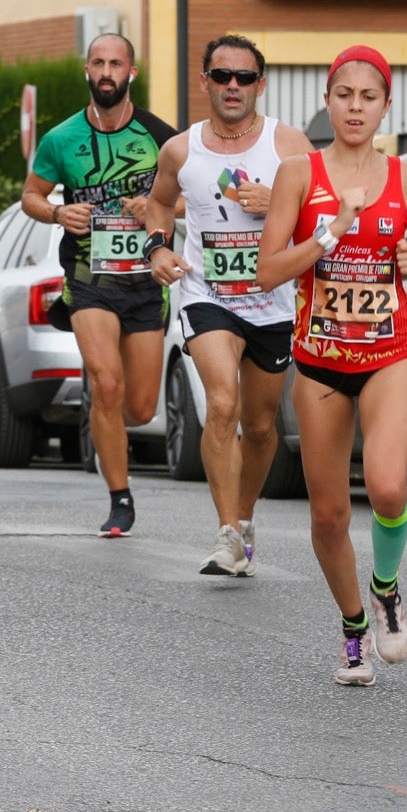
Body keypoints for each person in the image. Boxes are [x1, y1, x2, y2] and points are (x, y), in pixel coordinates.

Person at [257, 45, 407, 686]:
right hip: (319, 360)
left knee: (387, 487)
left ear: (385, 105)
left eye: (367, 96)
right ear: (328, 101)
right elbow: (268, 270)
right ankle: (353, 629)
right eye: (343, 95)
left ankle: (384, 590)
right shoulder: (299, 175)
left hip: (388, 353)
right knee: (327, 515)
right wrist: (331, 230)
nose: (355, 107)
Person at [145, 34, 312, 575]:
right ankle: (226, 532)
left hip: (273, 299)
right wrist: (157, 249)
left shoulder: (288, 144)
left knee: (262, 426)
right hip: (207, 294)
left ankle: (244, 516)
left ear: (260, 84)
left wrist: (283, 203)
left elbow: (325, 211)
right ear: (205, 82)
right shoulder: (181, 149)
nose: (233, 87)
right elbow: (158, 205)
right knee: (222, 404)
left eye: (244, 78)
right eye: (222, 77)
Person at [21, 33, 177, 538]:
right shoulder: (60, 139)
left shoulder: (161, 136)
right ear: (86, 71)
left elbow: (190, 200)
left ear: (132, 72)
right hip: (88, 279)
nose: (106, 71)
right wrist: (57, 211)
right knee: (108, 384)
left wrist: (154, 208)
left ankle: (106, 409)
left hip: (144, 281)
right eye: (98, 63)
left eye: (116, 63)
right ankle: (119, 498)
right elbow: (30, 196)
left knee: (141, 407)